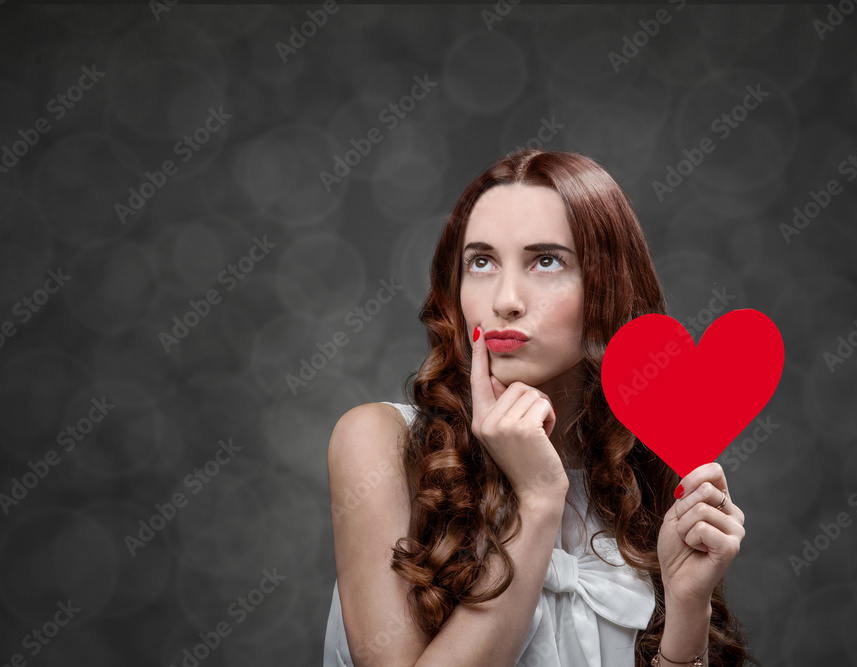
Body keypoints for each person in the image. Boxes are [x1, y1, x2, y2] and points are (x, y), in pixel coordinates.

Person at [324, 150, 756, 666]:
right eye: (481, 261)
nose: (505, 299)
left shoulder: (646, 462)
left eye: (545, 260)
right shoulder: (379, 440)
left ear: (609, 285)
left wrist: (688, 613)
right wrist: (538, 498)